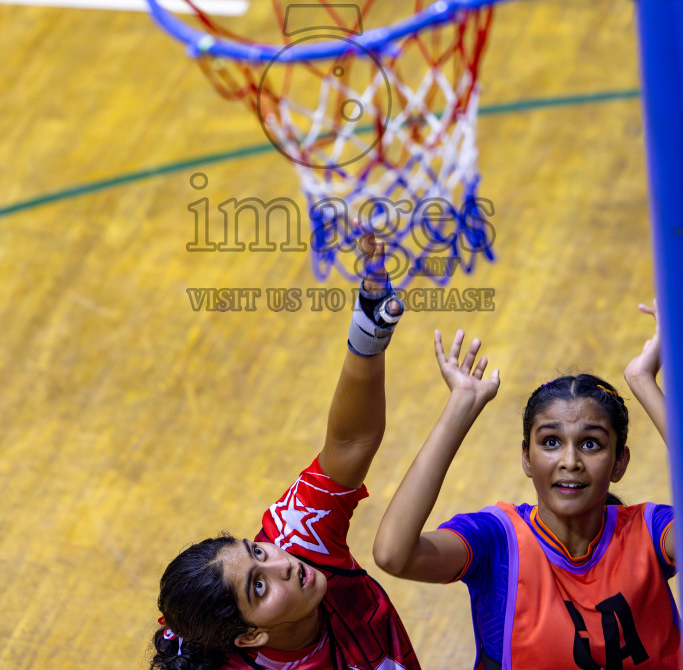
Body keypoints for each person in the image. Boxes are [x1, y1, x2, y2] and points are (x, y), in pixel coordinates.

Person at [150, 235, 422, 670]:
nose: (281, 564)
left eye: (257, 552)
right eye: (258, 587)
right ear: (250, 635)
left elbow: (351, 441)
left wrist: (369, 331)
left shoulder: (296, 535)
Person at [373, 299, 680, 670]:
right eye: (551, 441)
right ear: (526, 458)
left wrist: (644, 382)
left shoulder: (650, 532)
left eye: (591, 444)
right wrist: (460, 407)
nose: (570, 461)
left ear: (619, 463)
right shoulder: (497, 541)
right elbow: (393, 554)